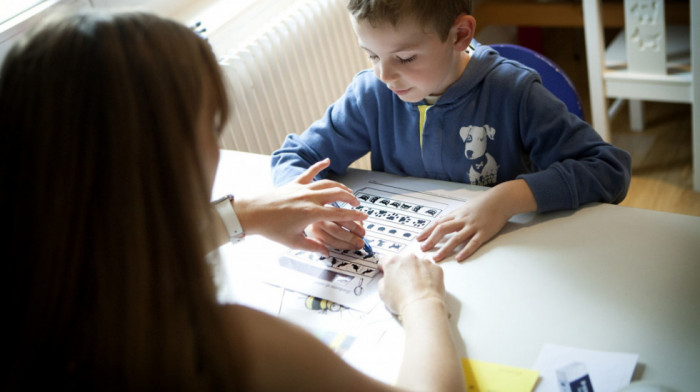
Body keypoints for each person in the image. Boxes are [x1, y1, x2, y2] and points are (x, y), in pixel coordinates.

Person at [1, 11, 465, 391]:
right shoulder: (223, 346)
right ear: (167, 159)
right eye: (211, 127)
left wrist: (239, 215)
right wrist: (422, 300)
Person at [270, 0, 632, 262]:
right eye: (372, 56)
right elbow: (294, 158)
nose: (384, 75)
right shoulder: (371, 95)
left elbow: (609, 168)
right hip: (414, 262)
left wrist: (507, 199)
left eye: (406, 58)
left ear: (460, 34)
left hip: (508, 258)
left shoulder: (513, 93)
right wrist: (314, 209)